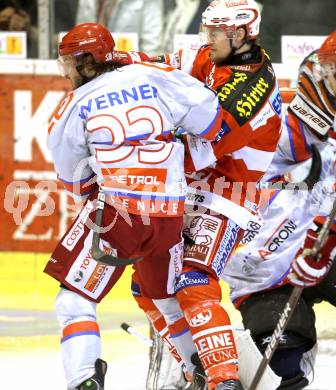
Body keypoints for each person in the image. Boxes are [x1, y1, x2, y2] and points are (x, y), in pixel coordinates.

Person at [43, 22, 225, 390]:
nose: (65, 71)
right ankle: (202, 371)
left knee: (73, 301)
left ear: (89, 61)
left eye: (69, 62)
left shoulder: (72, 106)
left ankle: (83, 382)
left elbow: (73, 178)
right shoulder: (156, 75)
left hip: (118, 217)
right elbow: (211, 120)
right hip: (171, 215)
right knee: (165, 299)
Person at [132, 1, 283, 389]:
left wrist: (133, 152)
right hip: (197, 187)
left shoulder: (251, 89)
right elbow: (164, 64)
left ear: (239, 34)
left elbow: (195, 151)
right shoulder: (214, 56)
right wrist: (117, 64)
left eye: (215, 32)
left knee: (192, 278)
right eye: (208, 31)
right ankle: (196, 363)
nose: (207, 40)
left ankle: (224, 379)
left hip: (230, 194)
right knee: (148, 283)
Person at [222, 31, 336, 389]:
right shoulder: (277, 125)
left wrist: (321, 239)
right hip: (274, 260)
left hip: (325, 247)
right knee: (280, 362)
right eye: (332, 71)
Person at [76, 0, 164, 55]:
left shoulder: (150, 2)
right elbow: (80, 34)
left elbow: (152, 47)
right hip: (92, 70)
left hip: (130, 73)